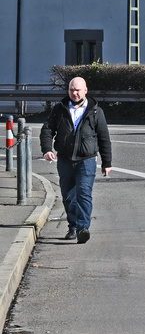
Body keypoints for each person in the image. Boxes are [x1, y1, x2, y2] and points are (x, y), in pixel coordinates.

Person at [40, 77, 112, 244]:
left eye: (78, 90)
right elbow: (47, 130)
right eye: (72, 90)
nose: (75, 93)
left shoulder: (95, 111)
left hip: (86, 160)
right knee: (68, 196)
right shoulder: (60, 109)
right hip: (65, 159)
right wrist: (47, 149)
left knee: (83, 193)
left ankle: (82, 228)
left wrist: (107, 162)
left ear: (85, 90)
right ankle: (73, 226)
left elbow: (104, 138)